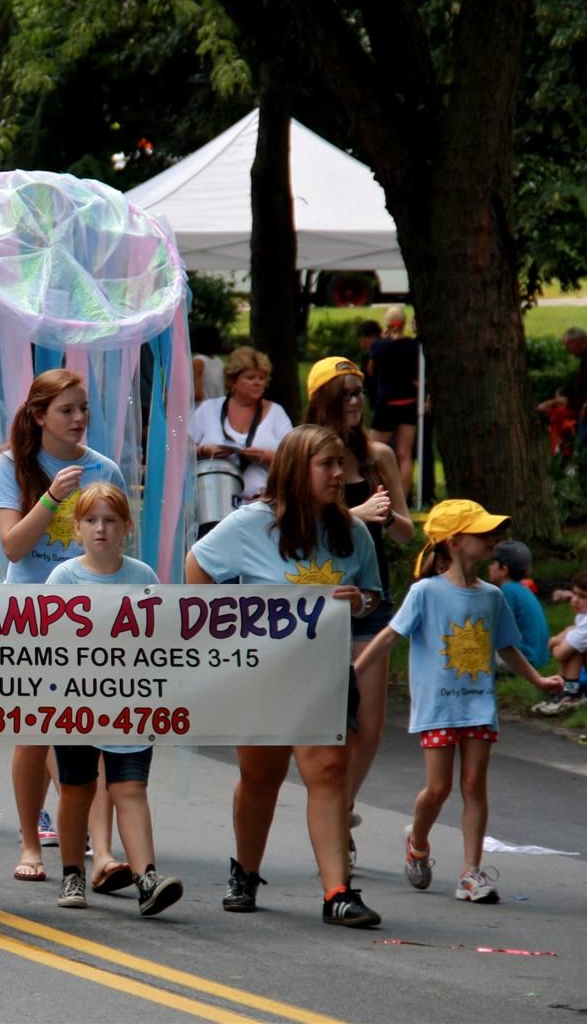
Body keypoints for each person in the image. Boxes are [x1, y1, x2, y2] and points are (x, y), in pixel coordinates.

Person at [187, 424, 384, 928]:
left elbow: (372, 595)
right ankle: (245, 873)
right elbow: (197, 567)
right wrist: (227, 625)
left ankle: (337, 892)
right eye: (328, 465)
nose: (340, 475)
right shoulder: (251, 524)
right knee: (261, 777)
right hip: (264, 674)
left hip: (324, 674)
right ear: (298, 470)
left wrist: (360, 602)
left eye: (341, 463)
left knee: (329, 774)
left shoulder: (352, 531)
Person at [357, 501, 561, 903]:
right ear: (453, 542)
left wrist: (537, 679)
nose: (493, 540)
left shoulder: (491, 597)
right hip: (437, 708)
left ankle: (471, 873)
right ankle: (417, 842)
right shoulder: (426, 592)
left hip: (478, 705)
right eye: (482, 534)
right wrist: (355, 671)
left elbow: (505, 645)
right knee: (438, 788)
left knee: (474, 784)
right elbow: (389, 636)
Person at [0, 368, 125, 881]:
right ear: (39, 416)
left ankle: (103, 852)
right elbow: (13, 548)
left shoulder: (104, 468)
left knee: (99, 732)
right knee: (36, 732)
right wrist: (50, 499)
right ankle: (29, 844)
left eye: (83, 408)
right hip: (32, 618)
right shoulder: (11, 467)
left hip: (93, 620)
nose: (79, 418)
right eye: (67, 410)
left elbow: (118, 550)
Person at [46, 484, 184, 917]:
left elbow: (161, 636)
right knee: (77, 789)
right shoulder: (64, 578)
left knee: (131, 787)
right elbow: (45, 640)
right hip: (73, 703)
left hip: (129, 704)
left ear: (126, 527)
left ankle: (147, 877)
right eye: (90, 521)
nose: (100, 529)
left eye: (109, 521)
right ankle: (73, 871)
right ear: (77, 528)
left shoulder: (142, 577)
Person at [303, 356, 415, 829]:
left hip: (370, 600)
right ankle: (332, 811)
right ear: (323, 398)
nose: (355, 401)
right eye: (345, 392)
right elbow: (292, 523)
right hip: (316, 602)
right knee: (326, 723)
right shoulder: (302, 451)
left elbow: (409, 534)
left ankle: (342, 805)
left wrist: (386, 517)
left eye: (360, 392)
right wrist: (356, 514)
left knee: (369, 726)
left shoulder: (377, 456)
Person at [190, 346, 292, 506]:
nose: (258, 383)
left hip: (261, 503)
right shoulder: (208, 409)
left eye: (262, 378)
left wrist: (264, 456)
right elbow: (180, 451)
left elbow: (294, 458)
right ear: (232, 381)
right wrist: (204, 451)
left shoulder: (276, 413)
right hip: (212, 505)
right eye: (251, 377)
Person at [365, 306, 422, 492]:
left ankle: (373, 490)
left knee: (371, 449)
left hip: (387, 404)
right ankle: (403, 498)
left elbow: (370, 370)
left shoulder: (380, 346)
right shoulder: (413, 346)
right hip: (409, 404)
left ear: (386, 324)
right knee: (405, 454)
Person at [535, 569, 587, 716]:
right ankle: (566, 689)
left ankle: (568, 692)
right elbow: (571, 631)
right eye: (574, 593)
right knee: (575, 645)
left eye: (582, 596)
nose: (575, 599)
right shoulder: (586, 615)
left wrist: (554, 642)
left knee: (573, 648)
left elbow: (560, 654)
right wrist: (564, 636)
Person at [487, 541, 548, 672]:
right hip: (537, 658)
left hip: (523, 661)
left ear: (504, 570)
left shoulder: (507, 591)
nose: (489, 567)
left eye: (493, 563)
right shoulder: (523, 589)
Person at [542, 326, 587, 474]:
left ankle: (578, 470)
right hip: (586, 410)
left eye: (568, 347)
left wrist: (586, 405)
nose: (569, 352)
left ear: (575, 342)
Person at [190, 324, 225, 405]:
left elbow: (198, 395)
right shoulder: (218, 360)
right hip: (218, 406)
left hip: (203, 408)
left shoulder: (198, 361)